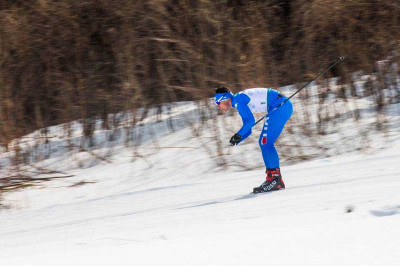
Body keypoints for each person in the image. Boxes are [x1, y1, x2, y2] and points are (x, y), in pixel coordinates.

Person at [214, 86, 293, 193]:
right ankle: (273, 178)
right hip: (281, 105)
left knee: (265, 142)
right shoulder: (238, 100)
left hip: (280, 106)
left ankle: (275, 179)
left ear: (224, 99)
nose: (219, 107)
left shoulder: (237, 100)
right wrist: (238, 139)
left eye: (218, 103)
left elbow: (250, 122)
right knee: (265, 142)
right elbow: (249, 128)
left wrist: (238, 134)